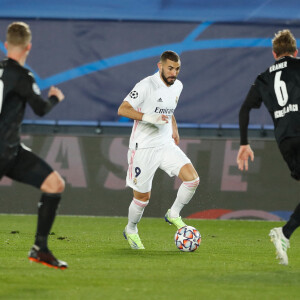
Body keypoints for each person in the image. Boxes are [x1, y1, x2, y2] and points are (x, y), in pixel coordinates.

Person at [0, 22, 67, 269]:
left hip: (10, 150)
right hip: (5, 150)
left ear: (6, 45)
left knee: (54, 184)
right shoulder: (23, 77)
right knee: (55, 185)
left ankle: (40, 248)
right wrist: (54, 97)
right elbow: (40, 109)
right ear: (28, 47)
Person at [118, 50, 199, 249]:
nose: (174, 73)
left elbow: (169, 110)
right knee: (143, 198)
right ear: (160, 66)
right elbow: (123, 109)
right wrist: (148, 117)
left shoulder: (178, 86)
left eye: (177, 69)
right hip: (143, 147)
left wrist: (174, 128)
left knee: (192, 179)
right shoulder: (146, 85)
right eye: (170, 68)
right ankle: (131, 229)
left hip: (164, 144)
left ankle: (174, 213)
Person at [237, 29, 300, 265]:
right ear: (296, 52)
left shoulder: (263, 77)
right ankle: (284, 233)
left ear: (274, 54)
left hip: (285, 140)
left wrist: (244, 143)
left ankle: (284, 234)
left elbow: (244, 110)